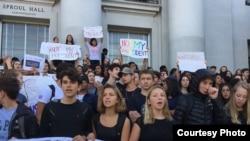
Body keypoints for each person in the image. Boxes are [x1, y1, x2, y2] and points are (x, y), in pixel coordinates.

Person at [39, 68, 94, 140]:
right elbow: (43, 135)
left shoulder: (86, 109)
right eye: (65, 82)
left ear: (79, 87)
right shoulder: (50, 107)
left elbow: (89, 133)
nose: (68, 85)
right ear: (61, 86)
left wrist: (84, 138)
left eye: (72, 82)